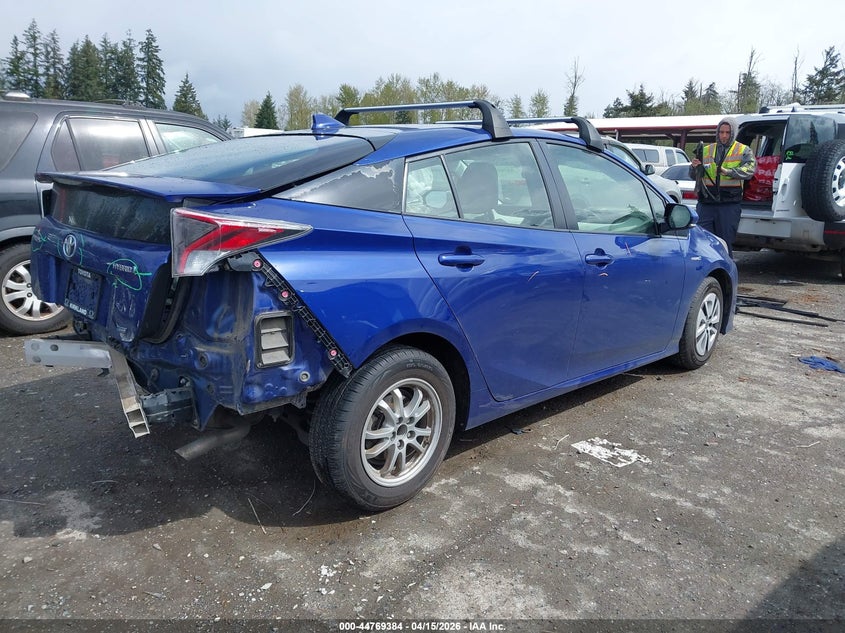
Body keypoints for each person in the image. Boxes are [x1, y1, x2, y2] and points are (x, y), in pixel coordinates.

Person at [689, 117, 756, 256]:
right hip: (706, 204)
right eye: (721, 132)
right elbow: (693, 175)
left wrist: (729, 172)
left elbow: (750, 170)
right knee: (703, 242)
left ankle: (726, 268)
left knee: (725, 243)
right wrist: (694, 168)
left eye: (727, 132)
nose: (724, 135)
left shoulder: (743, 150)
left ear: (733, 133)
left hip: (728, 205)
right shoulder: (706, 150)